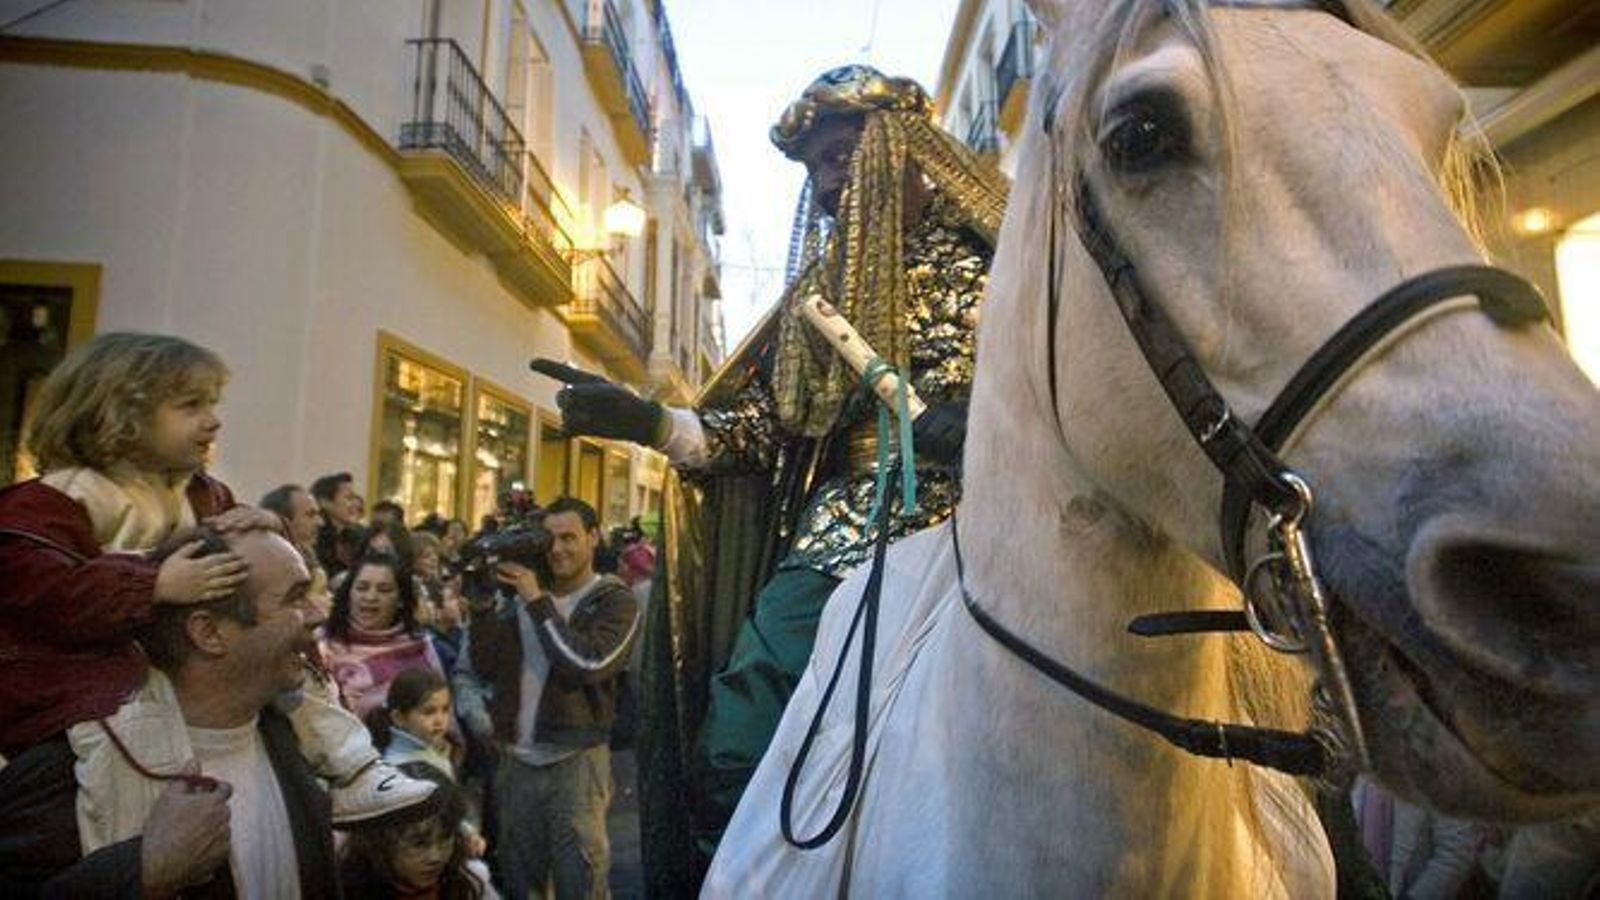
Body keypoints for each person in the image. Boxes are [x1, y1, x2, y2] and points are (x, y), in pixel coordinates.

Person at [551, 65, 1006, 849]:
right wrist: (648, 420)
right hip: (841, 533)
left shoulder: (1000, 253)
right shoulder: (818, 297)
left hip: (988, 524)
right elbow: (759, 430)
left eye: (838, 155)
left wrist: (990, 424)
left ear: (896, 146)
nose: (826, 183)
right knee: (739, 735)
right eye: (813, 167)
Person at [0, 333, 432, 832]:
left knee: (296, 660)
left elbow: (255, 566)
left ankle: (352, 767)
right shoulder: (47, 505)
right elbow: (43, 597)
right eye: (190, 405)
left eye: (212, 403)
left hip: (199, 675)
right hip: (97, 697)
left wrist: (266, 528)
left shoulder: (203, 494)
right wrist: (152, 585)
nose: (213, 420)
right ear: (118, 413)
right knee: (116, 783)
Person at [0, 526, 341, 894]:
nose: (317, 615)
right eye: (295, 599)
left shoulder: (300, 735)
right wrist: (143, 872)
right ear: (208, 632)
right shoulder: (75, 771)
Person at [454, 496, 639, 900]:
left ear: (593, 537)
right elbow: (486, 667)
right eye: (548, 541)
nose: (557, 550)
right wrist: (484, 606)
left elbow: (586, 664)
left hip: (575, 763)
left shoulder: (613, 600)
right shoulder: (520, 593)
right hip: (515, 761)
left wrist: (537, 601)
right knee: (522, 885)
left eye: (569, 538)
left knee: (582, 882)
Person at [340, 764, 499, 899]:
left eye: (445, 838)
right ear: (379, 841)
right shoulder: (345, 891)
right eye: (418, 844)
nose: (436, 856)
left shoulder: (469, 884)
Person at [320, 552, 448, 718]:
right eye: (362, 588)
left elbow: (444, 712)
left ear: (401, 599)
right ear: (349, 592)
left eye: (384, 590)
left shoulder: (420, 646)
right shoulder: (323, 645)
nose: (370, 597)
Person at [312, 471, 362, 575]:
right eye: (349, 498)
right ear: (325, 502)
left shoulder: (359, 535)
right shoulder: (313, 536)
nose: (356, 504)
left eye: (355, 498)